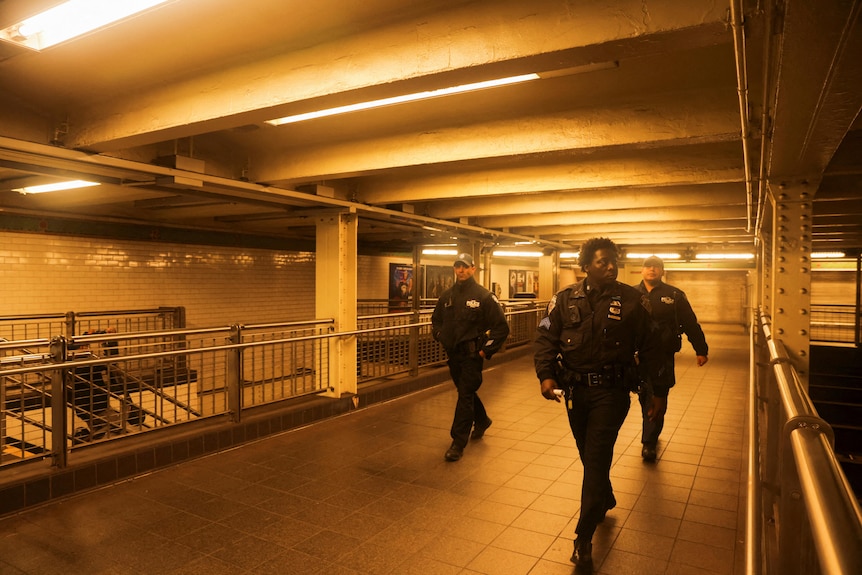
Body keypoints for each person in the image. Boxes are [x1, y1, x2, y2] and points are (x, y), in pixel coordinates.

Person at [533, 237, 661, 571]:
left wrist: (654, 392)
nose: (610, 266)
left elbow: (650, 348)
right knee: (588, 455)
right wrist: (546, 376)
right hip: (575, 394)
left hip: (612, 392)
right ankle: (604, 496)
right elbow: (546, 338)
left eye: (613, 261)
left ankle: (583, 537)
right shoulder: (563, 300)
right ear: (586, 266)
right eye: (602, 262)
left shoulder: (633, 300)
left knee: (596, 456)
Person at [432, 252, 510, 462]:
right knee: (466, 392)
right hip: (453, 356)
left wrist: (485, 351)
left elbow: (501, 328)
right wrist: (440, 335)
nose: (461, 270)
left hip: (472, 356)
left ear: (473, 269)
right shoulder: (447, 296)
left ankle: (458, 442)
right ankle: (482, 420)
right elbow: (436, 320)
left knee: (465, 395)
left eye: (466, 267)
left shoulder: (484, 296)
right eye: (458, 266)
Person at [636, 255, 709, 461]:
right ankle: (649, 431)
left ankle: (649, 441)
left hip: (662, 356)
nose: (652, 269)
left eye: (656, 267)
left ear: (662, 271)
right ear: (641, 270)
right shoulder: (630, 293)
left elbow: (690, 323)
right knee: (644, 396)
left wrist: (701, 349)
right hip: (635, 356)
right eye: (648, 266)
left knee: (657, 396)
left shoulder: (674, 295)